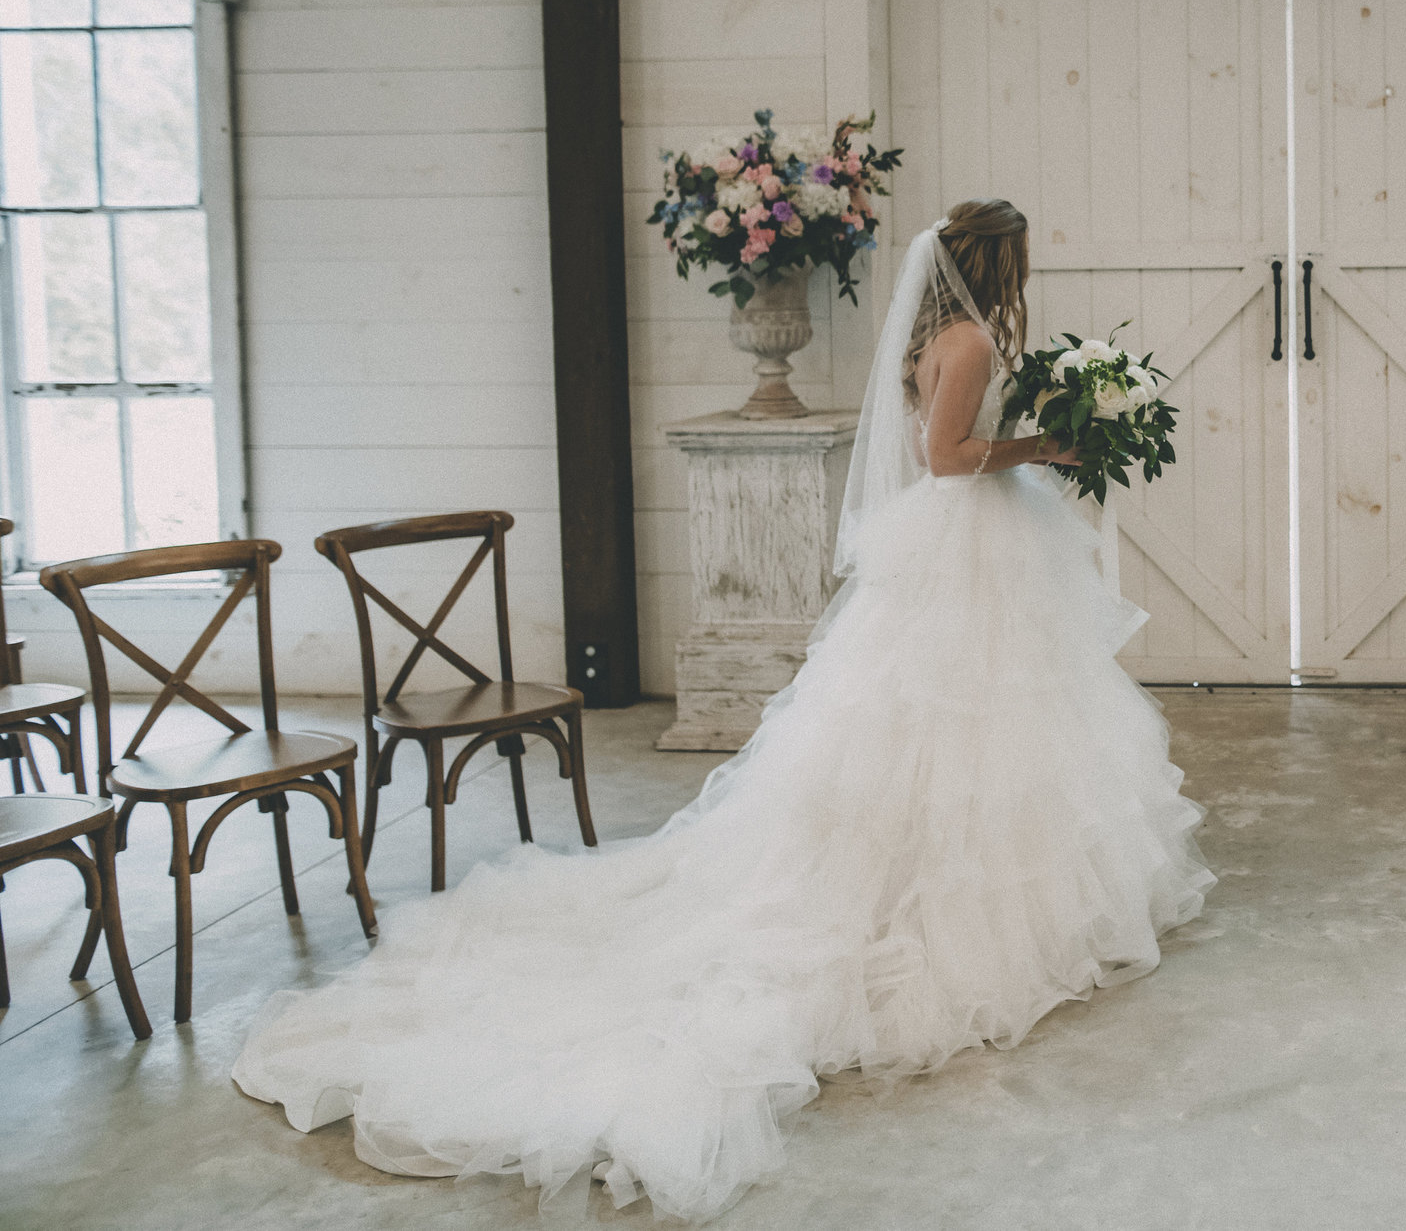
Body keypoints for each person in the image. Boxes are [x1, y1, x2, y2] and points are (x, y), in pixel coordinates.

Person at [233, 199, 1215, 1222]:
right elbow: (945, 455)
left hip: (966, 543)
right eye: (1019, 255)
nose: (1025, 267)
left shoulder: (942, 331)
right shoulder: (968, 337)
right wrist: (1038, 452)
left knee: (981, 717)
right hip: (965, 535)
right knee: (957, 717)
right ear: (994, 261)